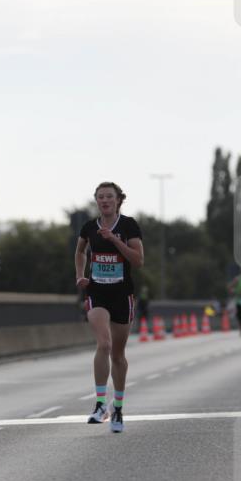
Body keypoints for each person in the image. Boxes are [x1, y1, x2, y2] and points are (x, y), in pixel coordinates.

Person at [75, 182, 144, 433]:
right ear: (96, 200)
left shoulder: (128, 226)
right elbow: (80, 251)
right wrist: (80, 275)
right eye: (100, 197)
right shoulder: (88, 227)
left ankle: (118, 409)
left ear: (118, 201)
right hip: (97, 292)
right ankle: (100, 404)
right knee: (103, 344)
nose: (104, 201)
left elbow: (138, 260)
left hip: (122, 294)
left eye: (109, 197)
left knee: (117, 354)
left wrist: (114, 239)